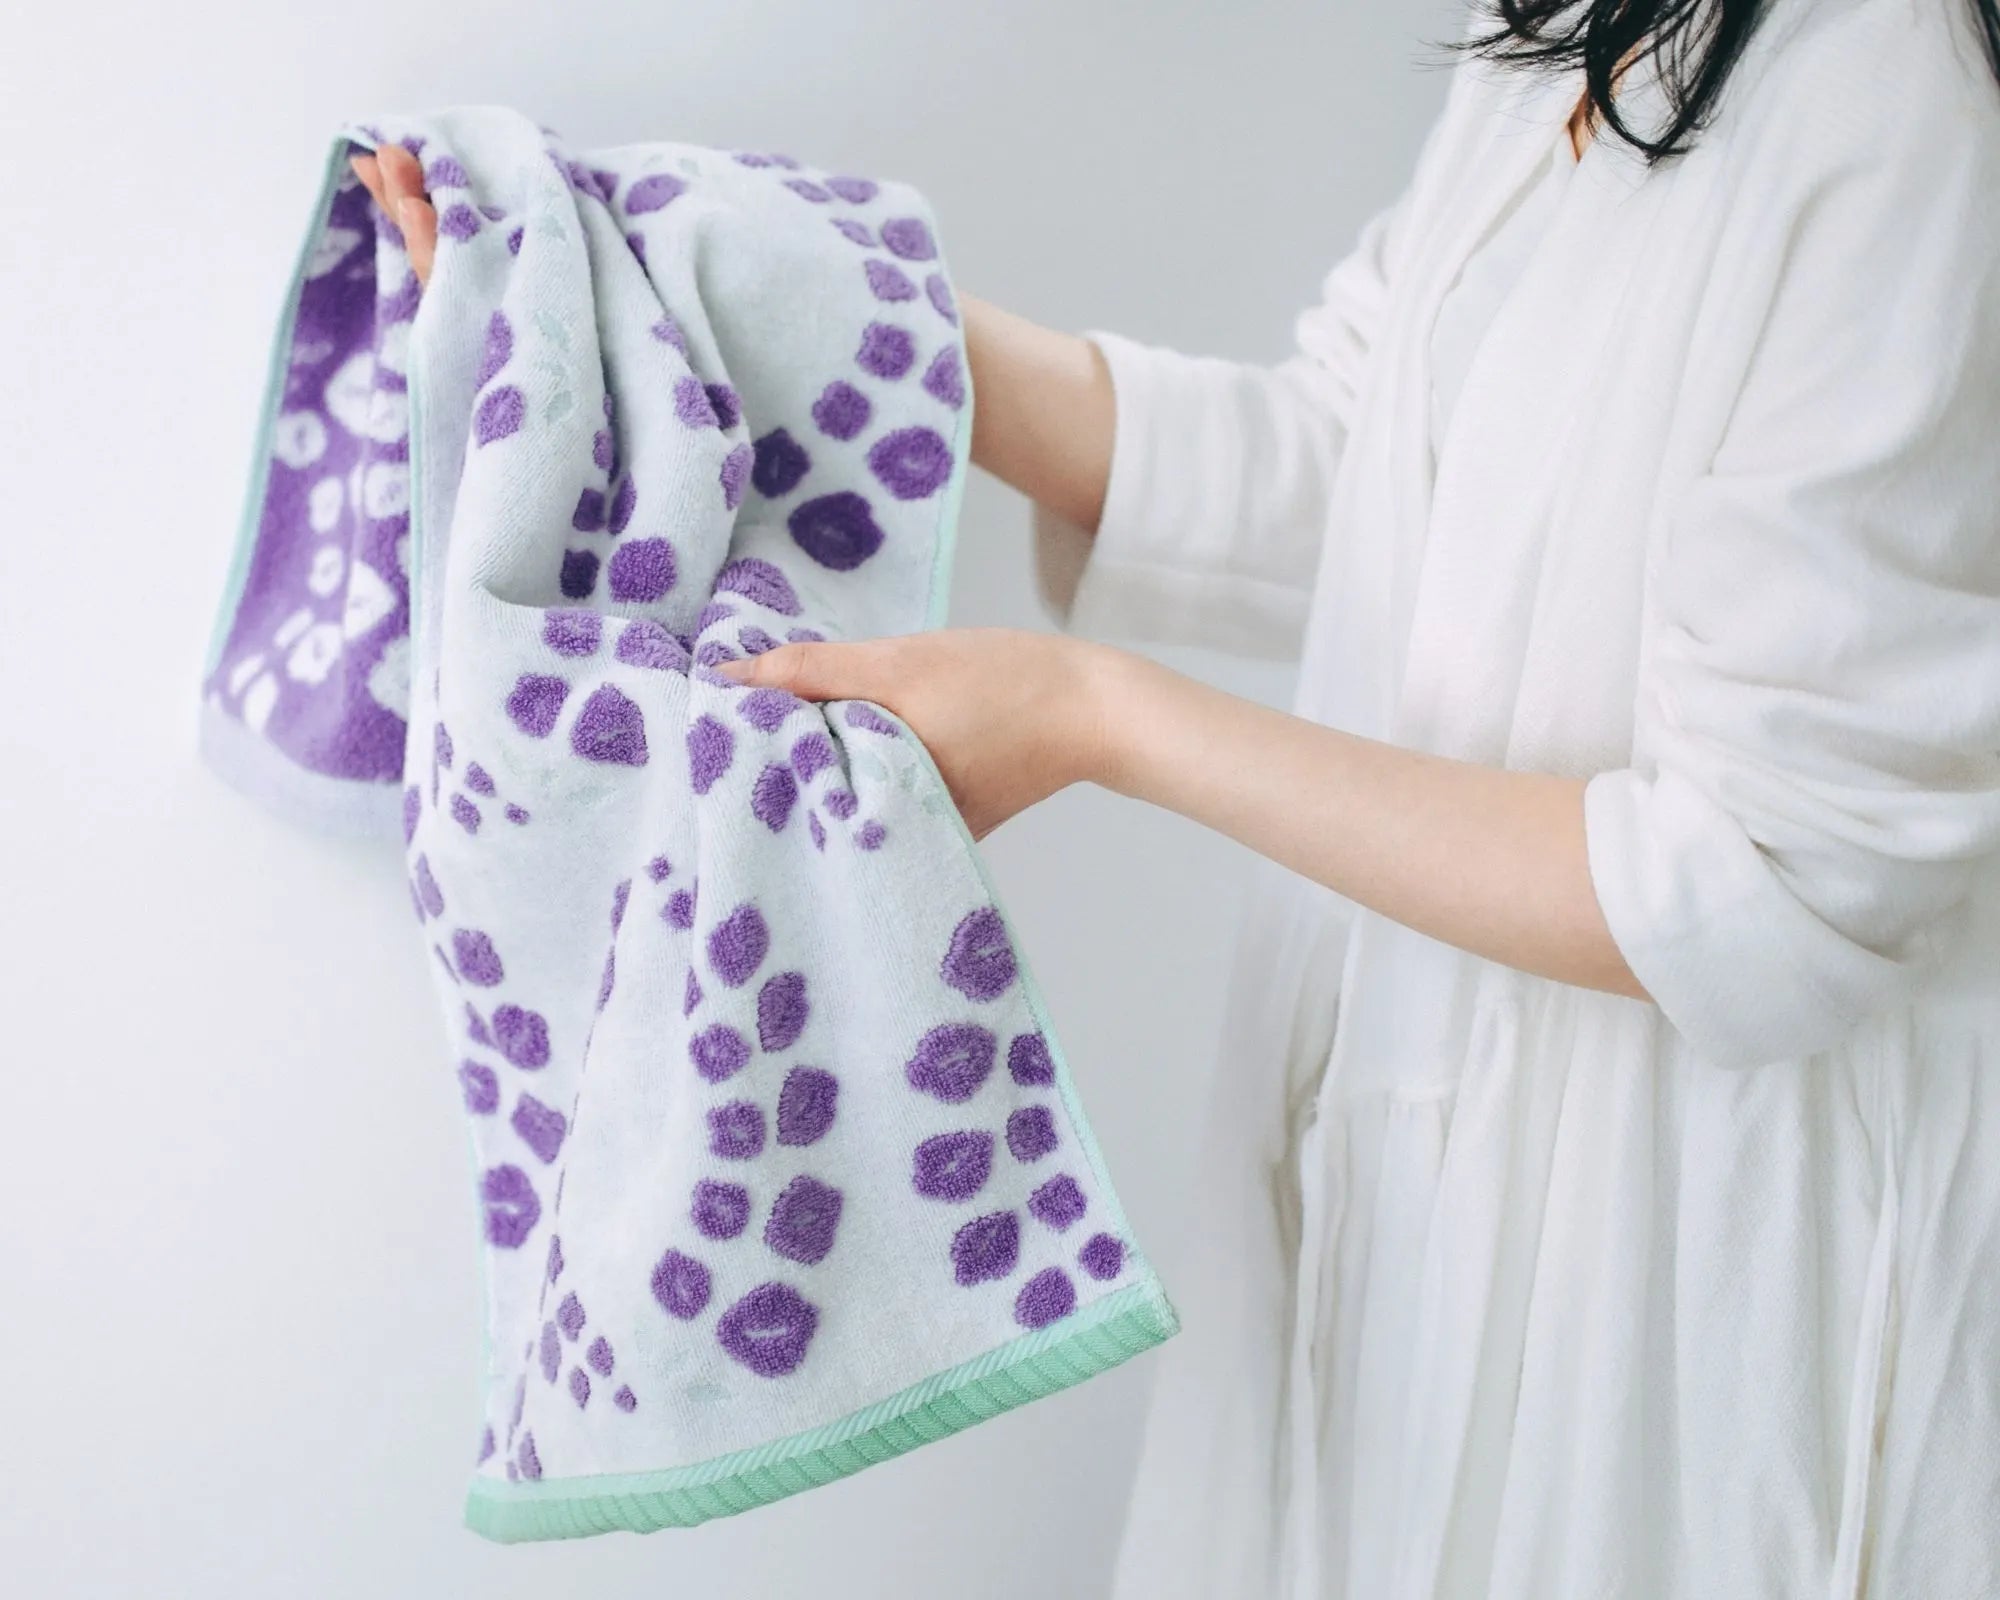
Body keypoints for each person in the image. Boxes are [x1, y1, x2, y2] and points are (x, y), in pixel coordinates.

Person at [355, 0, 2000, 1590]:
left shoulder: (1898, 94)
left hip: (1681, 1260)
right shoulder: (1583, 35)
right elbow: (1352, 461)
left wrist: (1097, 720)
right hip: (1407, 1177)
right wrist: (730, 280)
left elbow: (1776, 872)